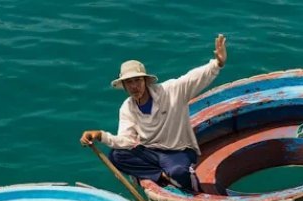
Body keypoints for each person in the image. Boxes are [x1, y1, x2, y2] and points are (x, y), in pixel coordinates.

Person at [80, 34, 227, 192]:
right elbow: (127, 140)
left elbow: (193, 78)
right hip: (149, 151)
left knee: (179, 172)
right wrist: (100, 135)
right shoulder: (127, 108)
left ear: (145, 80)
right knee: (117, 156)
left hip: (177, 151)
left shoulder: (170, 91)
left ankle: (196, 193)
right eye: (129, 82)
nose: (134, 86)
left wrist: (217, 63)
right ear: (123, 85)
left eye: (137, 80)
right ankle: (161, 177)